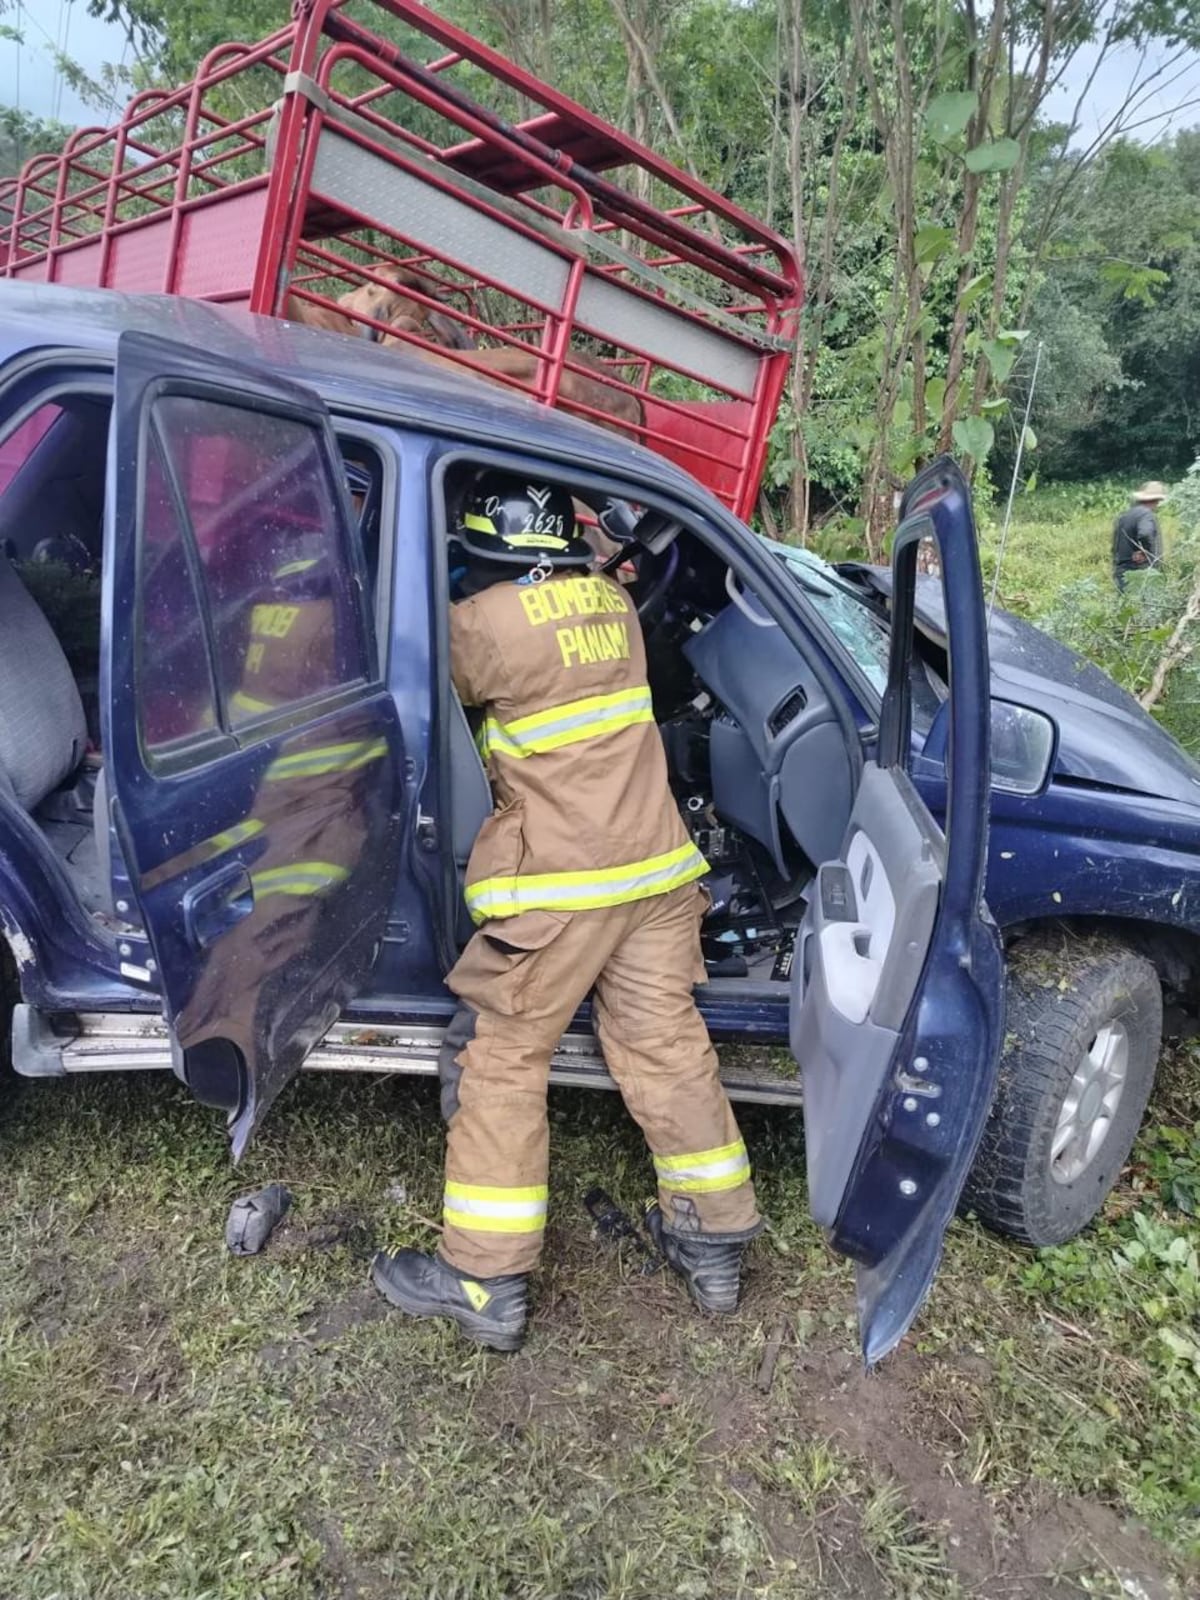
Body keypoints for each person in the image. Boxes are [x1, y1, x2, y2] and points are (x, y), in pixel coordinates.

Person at [371, 471, 763, 1350]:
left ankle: (482, 1280)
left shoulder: (478, 625)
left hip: (561, 892)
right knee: (665, 1048)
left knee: (502, 1061)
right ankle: (714, 1242)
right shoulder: (614, 606)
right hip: (658, 875)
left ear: (484, 549)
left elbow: (404, 682)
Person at [1112, 481, 1167, 590]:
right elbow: (1145, 533)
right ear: (1156, 500)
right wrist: (1145, 551)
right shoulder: (1146, 515)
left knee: (1127, 604)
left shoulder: (1125, 515)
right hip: (1141, 572)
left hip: (1122, 570)